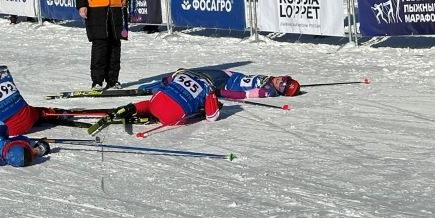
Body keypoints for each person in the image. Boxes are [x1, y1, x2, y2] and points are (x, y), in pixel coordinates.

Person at [110, 68, 301, 127]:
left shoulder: (267, 91)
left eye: (283, 85)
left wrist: (219, 95)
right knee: (183, 78)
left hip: (221, 84)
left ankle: (150, 91)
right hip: (223, 77)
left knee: (177, 80)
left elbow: (243, 93)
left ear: (281, 91)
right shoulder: (268, 80)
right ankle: (151, 92)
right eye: (284, 78)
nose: (280, 80)